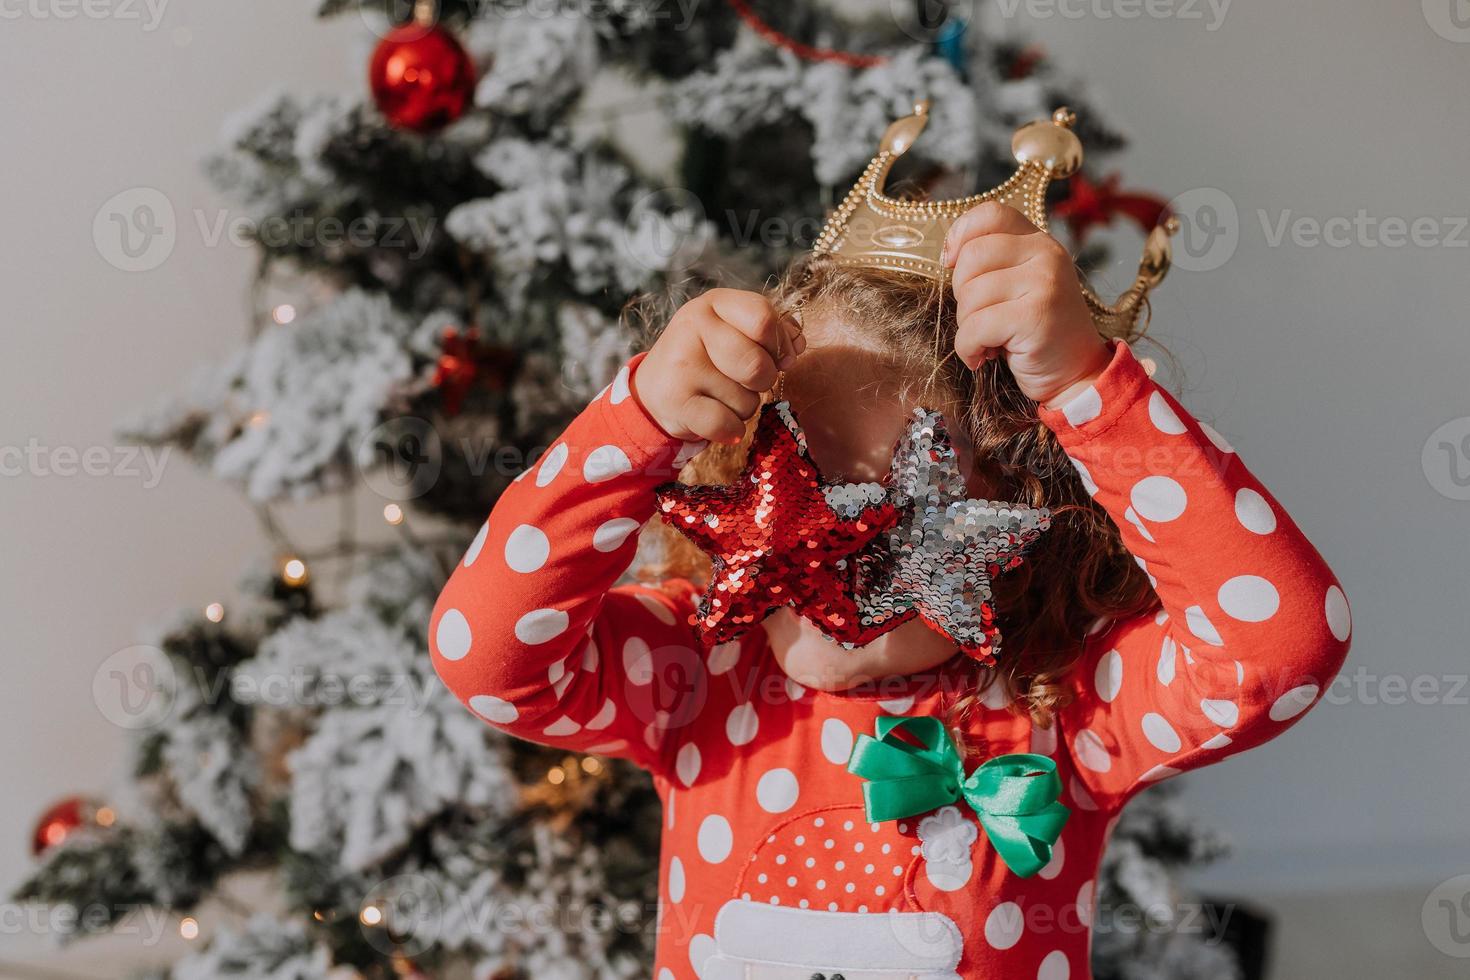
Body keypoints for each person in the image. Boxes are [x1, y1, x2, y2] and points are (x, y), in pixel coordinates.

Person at [428, 116, 1350, 979]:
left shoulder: (1063, 709)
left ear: (1016, 518)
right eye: (803, 490)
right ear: (731, 476)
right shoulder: (700, 673)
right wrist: (634, 428)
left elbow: (1282, 645)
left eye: (908, 507)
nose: (841, 555)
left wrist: (1088, 392)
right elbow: (487, 658)